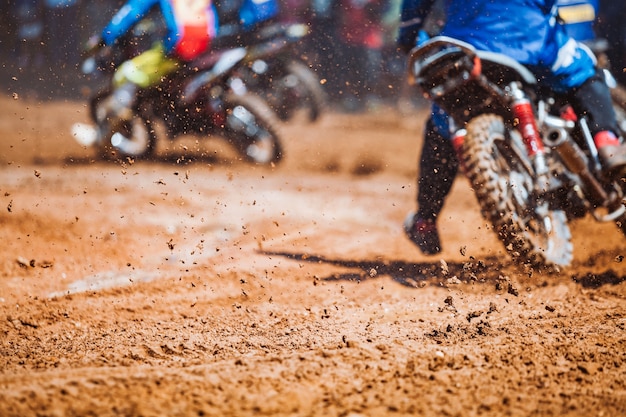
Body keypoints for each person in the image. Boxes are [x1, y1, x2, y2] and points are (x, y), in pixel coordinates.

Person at [397, 0, 626, 255]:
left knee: (441, 122)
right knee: (583, 70)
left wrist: (409, 37)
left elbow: (413, 11)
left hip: (462, 47)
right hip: (528, 37)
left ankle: (425, 220)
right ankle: (607, 142)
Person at [90, 0, 217, 134]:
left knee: (126, 74)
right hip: (210, 41)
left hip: (181, 43)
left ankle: (104, 132)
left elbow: (131, 13)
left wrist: (105, 38)